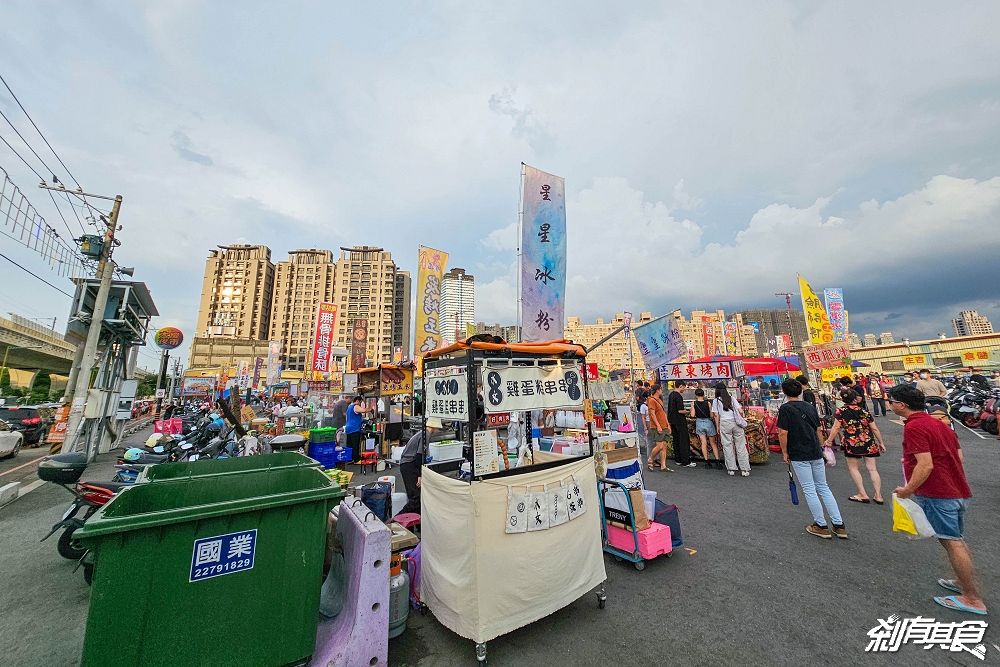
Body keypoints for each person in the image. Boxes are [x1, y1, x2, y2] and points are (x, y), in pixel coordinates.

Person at [888, 385, 984, 615]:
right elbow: (958, 456)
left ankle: (971, 598)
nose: (890, 405)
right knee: (955, 540)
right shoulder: (939, 423)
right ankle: (962, 582)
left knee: (952, 542)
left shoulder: (915, 427)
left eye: (891, 401)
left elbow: (926, 464)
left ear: (902, 405)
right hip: (957, 488)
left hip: (939, 493)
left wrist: (908, 490)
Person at [778, 378, 847, 539]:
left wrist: (784, 452)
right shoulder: (809, 407)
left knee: (809, 489)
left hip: (798, 452)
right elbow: (818, 430)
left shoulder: (785, 408)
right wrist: (823, 448)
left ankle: (821, 525)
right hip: (815, 451)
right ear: (801, 391)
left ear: (784, 392)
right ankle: (839, 525)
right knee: (823, 487)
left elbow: (783, 433)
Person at [825, 389, 885, 503]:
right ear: (855, 398)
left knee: (854, 468)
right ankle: (878, 495)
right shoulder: (864, 411)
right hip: (868, 442)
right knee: (872, 469)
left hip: (851, 443)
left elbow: (836, 428)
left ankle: (862, 493)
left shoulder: (840, 412)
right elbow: (874, 428)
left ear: (842, 399)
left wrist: (829, 440)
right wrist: (881, 443)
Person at [399, 417, 442, 514]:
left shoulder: (422, 433)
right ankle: (397, 520)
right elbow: (420, 455)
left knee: (416, 497)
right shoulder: (425, 435)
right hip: (409, 465)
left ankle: (416, 524)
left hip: (407, 464)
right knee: (416, 498)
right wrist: (420, 475)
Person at [712, 382, 750, 476]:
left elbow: (716, 415)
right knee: (740, 446)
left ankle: (731, 469)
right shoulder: (732, 398)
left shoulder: (716, 401)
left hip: (724, 423)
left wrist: (717, 426)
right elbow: (740, 411)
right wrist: (741, 418)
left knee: (727, 446)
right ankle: (744, 469)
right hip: (735, 423)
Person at [666, 381, 695, 467]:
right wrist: (688, 411)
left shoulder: (671, 395)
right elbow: (680, 410)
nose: (684, 389)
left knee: (676, 440)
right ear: (680, 386)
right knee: (683, 441)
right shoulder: (678, 396)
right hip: (680, 422)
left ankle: (677, 459)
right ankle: (685, 461)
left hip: (673, 421)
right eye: (684, 387)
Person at [690, 388, 720, 468]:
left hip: (699, 423)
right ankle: (717, 461)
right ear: (703, 395)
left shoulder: (694, 403)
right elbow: (711, 415)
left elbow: (692, 415)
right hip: (708, 422)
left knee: (703, 443)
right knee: (713, 443)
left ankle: (707, 461)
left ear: (696, 395)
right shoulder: (708, 403)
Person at [646, 384, 672, 471]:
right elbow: (652, 414)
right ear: (657, 390)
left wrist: (667, 424)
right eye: (660, 389)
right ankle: (651, 458)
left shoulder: (659, 401)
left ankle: (663, 465)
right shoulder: (651, 400)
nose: (661, 390)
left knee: (664, 445)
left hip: (663, 424)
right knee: (660, 445)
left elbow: (663, 413)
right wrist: (658, 426)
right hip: (657, 426)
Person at [345, 396, 374, 463]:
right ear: (357, 401)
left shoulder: (349, 407)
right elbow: (364, 410)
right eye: (360, 402)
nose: (360, 404)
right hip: (354, 429)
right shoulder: (355, 406)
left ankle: (350, 459)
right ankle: (356, 460)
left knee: (350, 445)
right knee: (355, 445)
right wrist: (370, 409)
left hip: (348, 428)